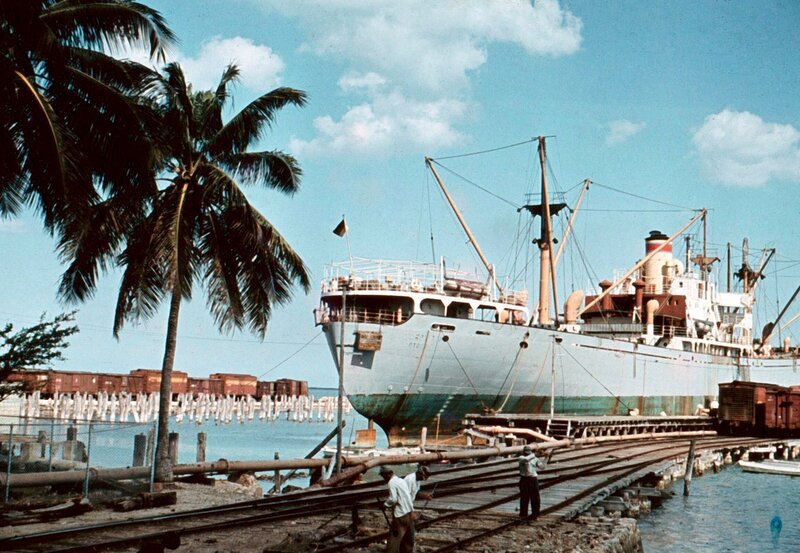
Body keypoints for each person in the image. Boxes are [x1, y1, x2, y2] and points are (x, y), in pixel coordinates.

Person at [379, 465, 415, 553]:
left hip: (400, 514)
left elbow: (393, 499)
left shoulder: (391, 482)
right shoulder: (401, 481)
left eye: (383, 476)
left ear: (388, 474)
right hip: (408, 512)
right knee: (407, 537)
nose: (383, 478)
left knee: (394, 538)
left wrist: (385, 505)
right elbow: (408, 496)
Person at [518, 445, 546, 521]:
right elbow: (526, 459)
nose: (527, 454)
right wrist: (534, 455)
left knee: (535, 498)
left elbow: (542, 467)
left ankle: (535, 515)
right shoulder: (521, 458)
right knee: (524, 497)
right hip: (524, 479)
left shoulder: (535, 459)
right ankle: (523, 514)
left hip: (533, 479)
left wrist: (546, 459)